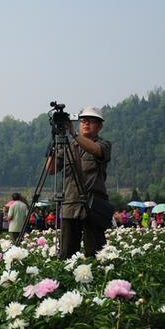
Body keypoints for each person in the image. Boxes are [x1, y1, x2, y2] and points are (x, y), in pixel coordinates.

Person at [45, 106, 112, 259]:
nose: (86, 124)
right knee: (67, 253)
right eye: (83, 120)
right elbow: (50, 170)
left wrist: (73, 134)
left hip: (93, 206)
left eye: (92, 121)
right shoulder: (68, 146)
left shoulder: (104, 144)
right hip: (70, 204)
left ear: (100, 126)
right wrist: (54, 143)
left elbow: (95, 150)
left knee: (95, 254)